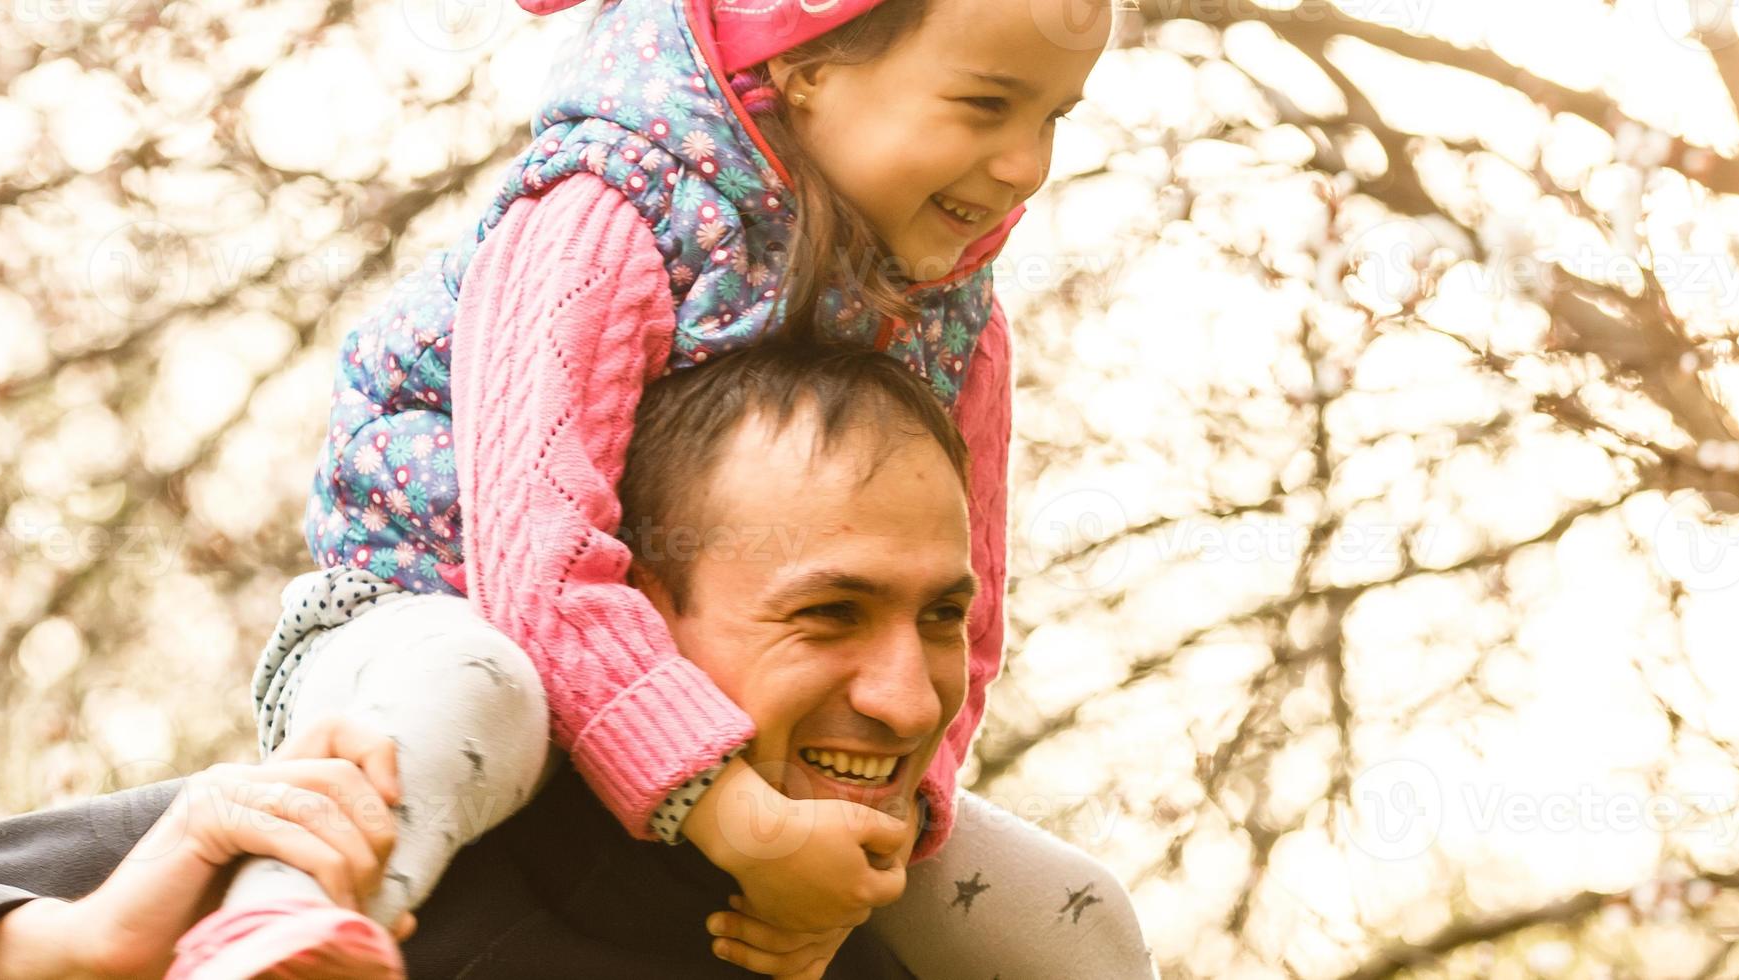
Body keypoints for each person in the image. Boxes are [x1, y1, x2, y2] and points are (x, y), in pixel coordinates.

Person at [0, 345, 1146, 979]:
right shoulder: (345, 854)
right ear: (625, 620)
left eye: (940, 616)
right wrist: (58, 953)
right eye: (827, 614)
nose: (903, 692)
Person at [182, 0, 1141, 973]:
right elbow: (538, 563)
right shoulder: (607, 206)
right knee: (474, 692)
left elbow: (961, 611)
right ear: (806, 64)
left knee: (1067, 910)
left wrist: (894, 815)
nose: (1025, 164)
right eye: (984, 107)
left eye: (1052, 117)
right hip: (434, 615)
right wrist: (736, 820)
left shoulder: (958, 321)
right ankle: (280, 922)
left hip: (694, 682)